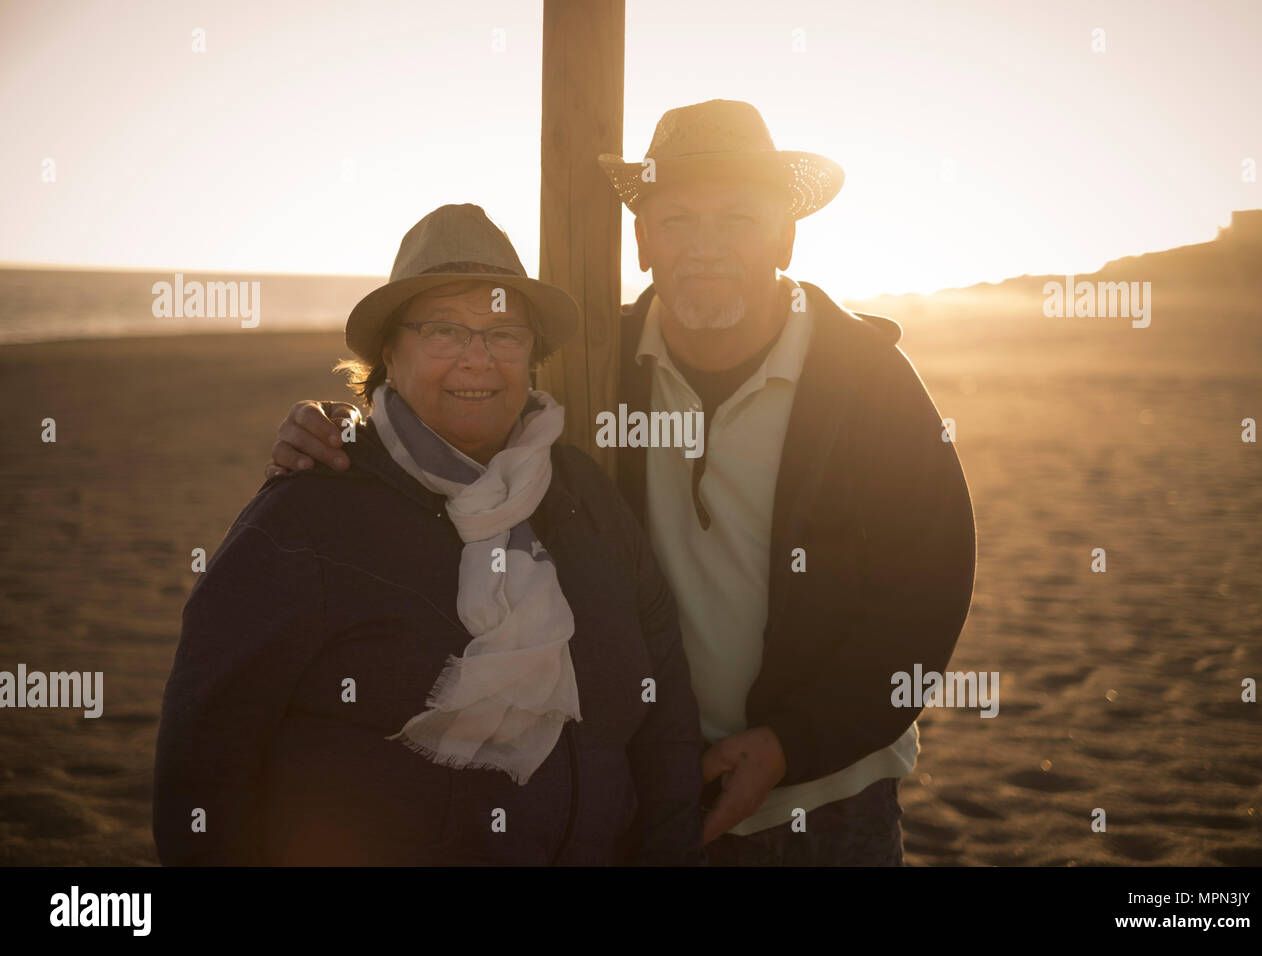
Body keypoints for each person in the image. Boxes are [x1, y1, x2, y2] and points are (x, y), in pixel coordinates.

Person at [265, 101, 978, 866]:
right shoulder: (592, 369)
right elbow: (458, 428)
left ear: (785, 236)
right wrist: (347, 432)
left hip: (830, 798)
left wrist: (793, 744)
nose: (705, 248)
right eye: (677, 221)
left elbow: (928, 591)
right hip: (649, 783)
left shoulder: (866, 380)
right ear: (641, 240)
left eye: (737, 218)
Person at [154, 203, 705, 866]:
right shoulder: (306, 514)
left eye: (504, 333)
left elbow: (664, 707)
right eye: (445, 330)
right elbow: (206, 762)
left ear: (532, 354)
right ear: (390, 350)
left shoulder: (583, 495)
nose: (478, 358)